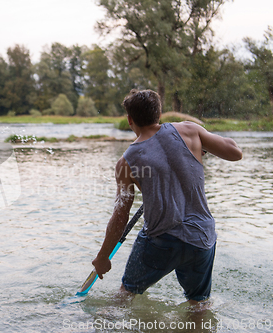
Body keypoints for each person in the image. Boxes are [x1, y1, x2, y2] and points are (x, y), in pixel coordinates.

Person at [92, 89, 242, 305]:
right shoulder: (190, 131)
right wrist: (202, 144)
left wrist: (103, 257)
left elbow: (120, 216)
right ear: (159, 114)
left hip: (160, 242)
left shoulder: (125, 163)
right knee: (199, 304)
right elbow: (235, 152)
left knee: (125, 295)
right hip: (201, 239)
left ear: (129, 120)